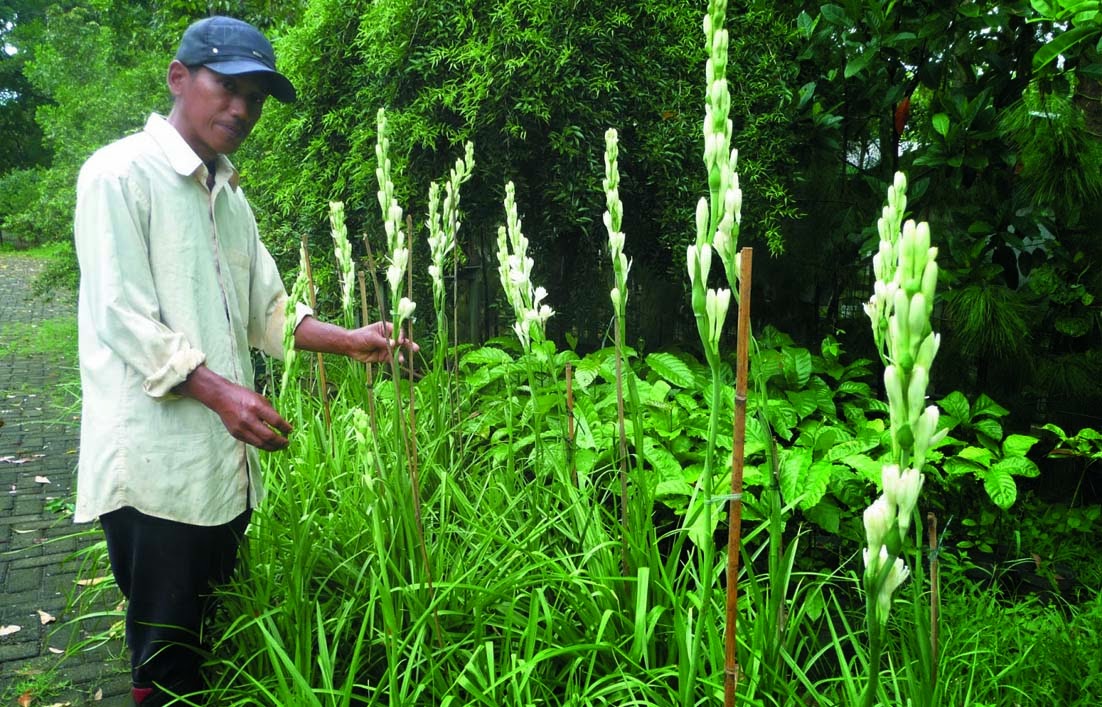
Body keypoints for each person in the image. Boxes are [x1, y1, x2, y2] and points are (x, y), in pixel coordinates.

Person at [72, 16, 411, 706]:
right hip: (153, 472)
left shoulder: (230, 200)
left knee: (212, 640)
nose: (241, 109)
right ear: (178, 78)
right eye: (227, 87)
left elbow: (267, 312)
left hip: (223, 475)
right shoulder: (119, 174)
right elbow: (120, 312)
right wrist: (219, 391)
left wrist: (354, 341)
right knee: (166, 658)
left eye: (254, 98)